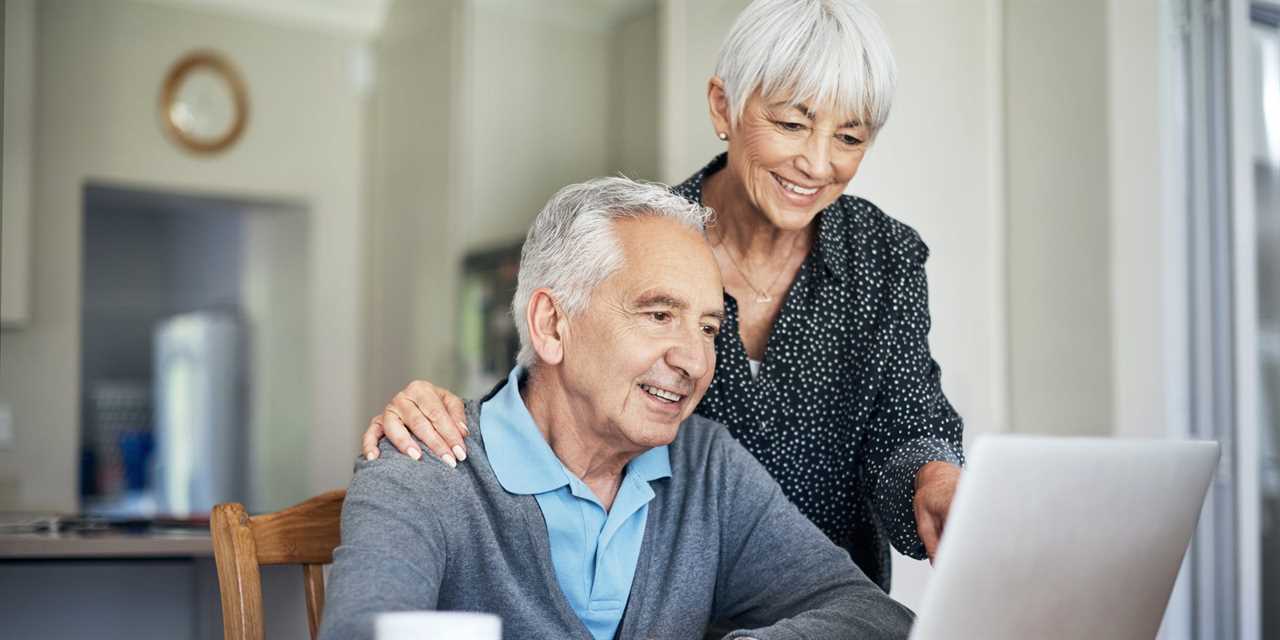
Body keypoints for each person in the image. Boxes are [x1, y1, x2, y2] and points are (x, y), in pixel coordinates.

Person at [362, 0, 962, 591]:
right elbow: (557, 390)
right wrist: (449, 424)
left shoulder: (883, 257)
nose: (817, 162)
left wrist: (933, 477)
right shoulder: (650, 239)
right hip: (662, 605)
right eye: (791, 123)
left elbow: (907, 424)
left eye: (850, 138)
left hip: (826, 610)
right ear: (723, 106)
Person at [319, 178, 914, 640]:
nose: (694, 360)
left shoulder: (706, 466)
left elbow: (873, 616)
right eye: (659, 315)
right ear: (553, 325)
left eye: (709, 328)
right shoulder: (424, 462)